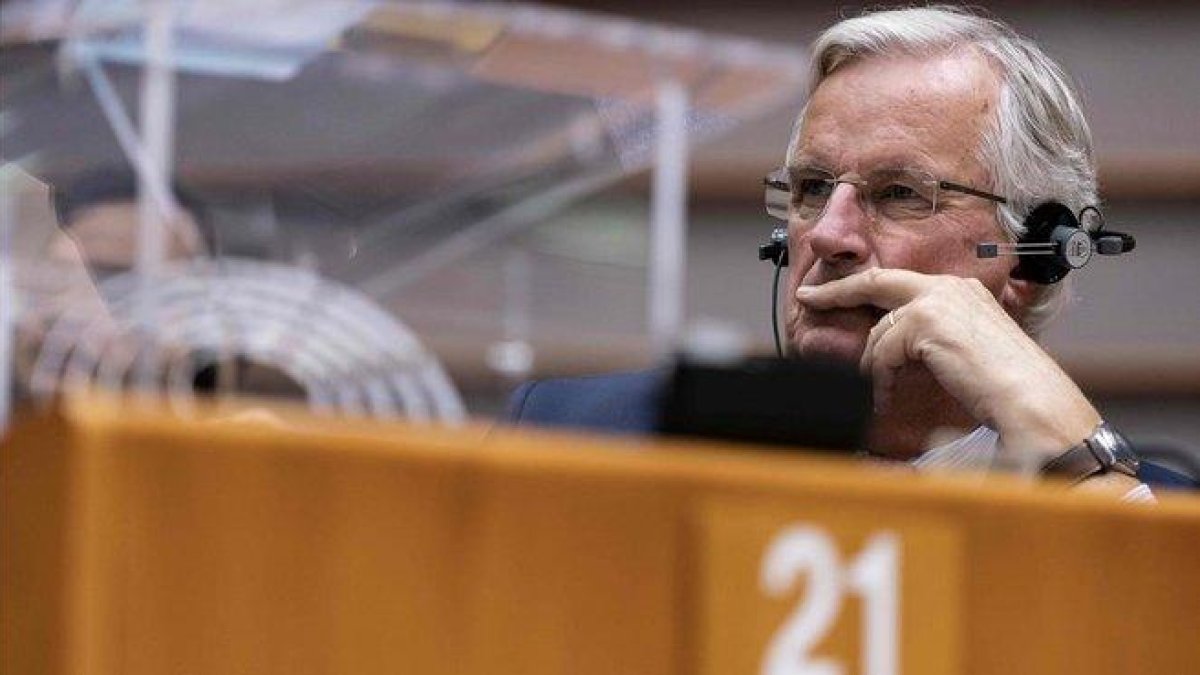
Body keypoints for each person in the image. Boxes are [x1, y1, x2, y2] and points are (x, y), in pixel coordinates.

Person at [506, 6, 1196, 495]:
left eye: (898, 193)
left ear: (1032, 255)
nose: (829, 235)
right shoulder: (572, 438)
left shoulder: (1147, 516)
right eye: (811, 188)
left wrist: (1085, 466)